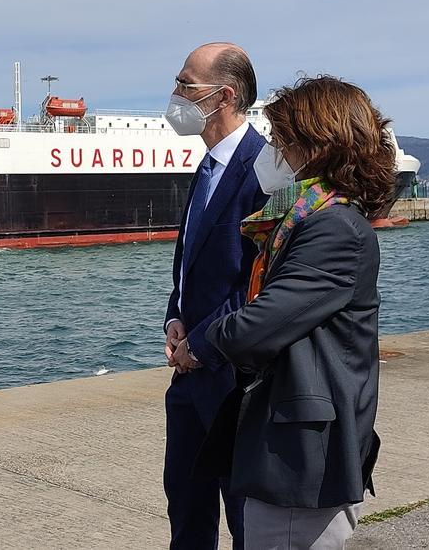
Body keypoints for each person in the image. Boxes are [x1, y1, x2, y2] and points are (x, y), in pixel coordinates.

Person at [201, 75, 393, 549]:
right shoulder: (315, 219)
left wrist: (205, 340)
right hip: (293, 443)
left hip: (303, 453)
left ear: (317, 145)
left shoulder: (334, 230)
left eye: (283, 140)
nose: (277, 152)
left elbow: (260, 325)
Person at [162, 43, 269, 549]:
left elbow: (257, 283)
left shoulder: (264, 172)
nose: (175, 95)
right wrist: (173, 321)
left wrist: (200, 344)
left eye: (186, 85)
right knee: (185, 508)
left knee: (244, 517)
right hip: (189, 376)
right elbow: (191, 267)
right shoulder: (207, 168)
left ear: (224, 95)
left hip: (232, 379)